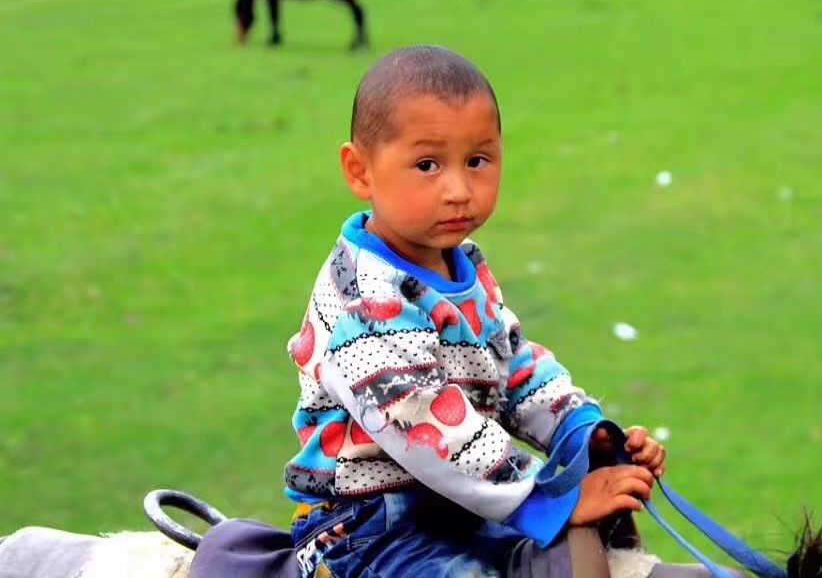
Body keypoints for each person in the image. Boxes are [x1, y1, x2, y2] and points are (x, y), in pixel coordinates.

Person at [284, 45, 738, 578]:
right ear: (360, 170)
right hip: (369, 530)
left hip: (464, 506)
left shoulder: (461, 265)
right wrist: (547, 499)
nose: (459, 191)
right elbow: (425, 422)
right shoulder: (366, 300)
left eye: (478, 161)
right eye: (427, 165)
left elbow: (513, 366)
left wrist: (581, 430)